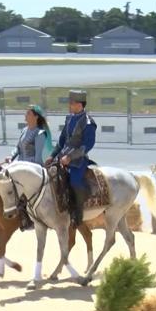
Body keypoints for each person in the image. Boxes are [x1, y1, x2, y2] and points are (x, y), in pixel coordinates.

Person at [45, 90, 97, 226]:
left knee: (74, 181)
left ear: (79, 104)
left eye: (72, 103)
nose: (69, 105)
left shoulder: (88, 122)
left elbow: (87, 145)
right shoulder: (69, 118)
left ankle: (77, 214)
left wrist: (70, 157)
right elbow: (62, 141)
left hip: (78, 159)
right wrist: (52, 155)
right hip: (62, 157)